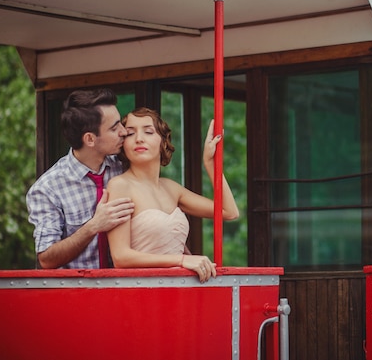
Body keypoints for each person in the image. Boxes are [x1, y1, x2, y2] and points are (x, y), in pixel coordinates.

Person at [106, 107, 239, 282]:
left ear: (163, 141)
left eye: (148, 131)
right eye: (130, 134)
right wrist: (183, 260)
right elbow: (121, 257)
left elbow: (229, 212)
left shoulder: (171, 188)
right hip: (140, 289)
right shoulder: (120, 186)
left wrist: (210, 163)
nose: (139, 139)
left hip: (178, 288)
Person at [27, 89, 135, 269]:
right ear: (90, 139)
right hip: (79, 292)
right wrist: (94, 226)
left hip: (128, 287)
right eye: (114, 128)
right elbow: (46, 258)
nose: (124, 132)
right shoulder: (47, 189)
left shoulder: (125, 167)